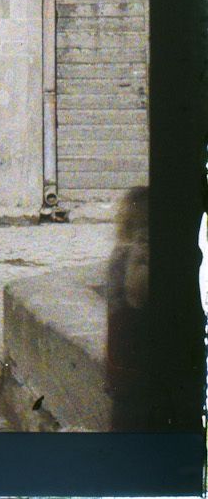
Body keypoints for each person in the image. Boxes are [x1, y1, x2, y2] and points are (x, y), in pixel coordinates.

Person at [105, 184, 149, 430]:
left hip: (121, 364)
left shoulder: (120, 253)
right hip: (132, 367)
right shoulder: (130, 255)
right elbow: (137, 296)